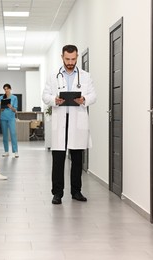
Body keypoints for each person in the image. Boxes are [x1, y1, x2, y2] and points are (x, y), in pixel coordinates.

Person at [42, 45, 97, 205]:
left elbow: (94, 95)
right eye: (67, 59)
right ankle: (57, 193)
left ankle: (76, 191)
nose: (70, 62)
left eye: (73, 59)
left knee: (77, 159)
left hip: (77, 122)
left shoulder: (85, 76)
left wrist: (84, 99)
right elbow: (45, 95)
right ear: (62, 57)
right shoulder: (53, 76)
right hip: (60, 121)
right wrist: (54, 100)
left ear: (77, 57)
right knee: (58, 159)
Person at [0, 83, 19, 158]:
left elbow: (15, 110)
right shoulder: (1, 97)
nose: (6, 90)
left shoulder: (14, 98)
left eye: (7, 88)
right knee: (5, 135)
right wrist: (3, 107)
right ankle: (6, 151)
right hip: (3, 118)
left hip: (11, 118)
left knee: (13, 134)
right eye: (5, 89)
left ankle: (15, 151)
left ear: (10, 89)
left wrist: (10, 107)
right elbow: (1, 109)